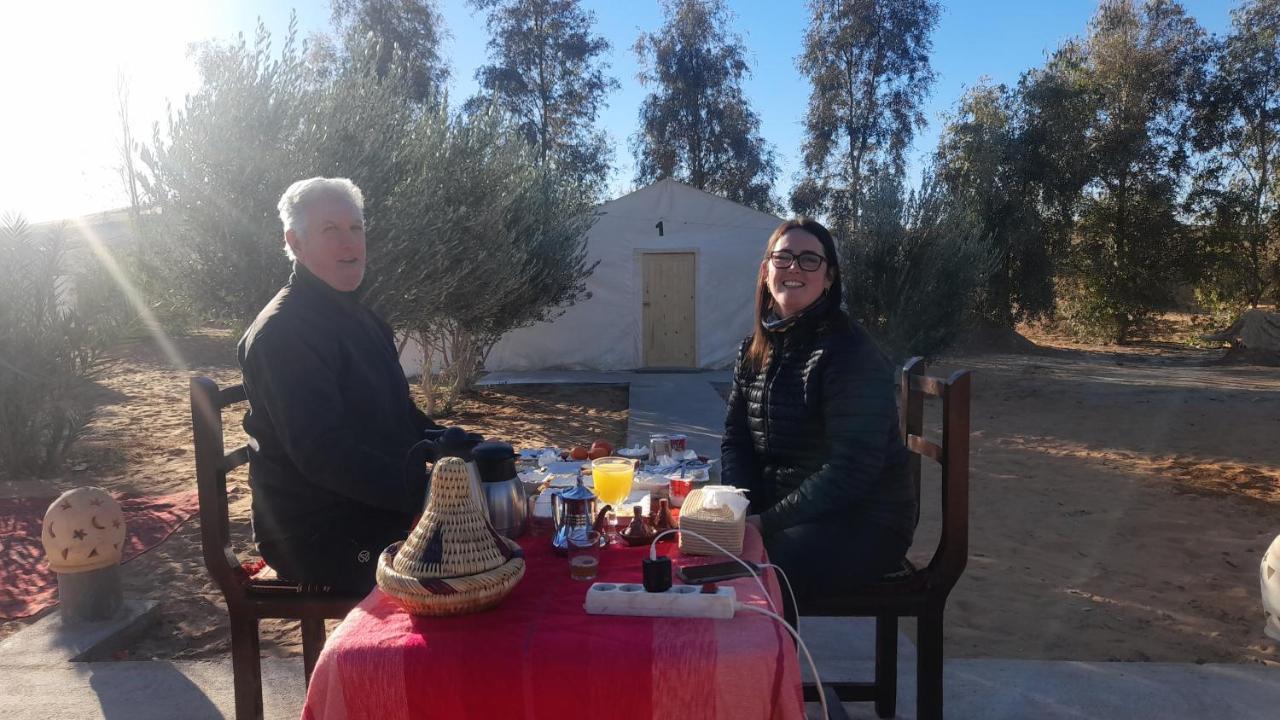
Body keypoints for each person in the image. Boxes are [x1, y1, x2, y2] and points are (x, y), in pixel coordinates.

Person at [238, 177, 467, 594]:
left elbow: (399, 416)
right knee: (466, 576)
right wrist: (425, 491)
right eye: (330, 230)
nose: (350, 243)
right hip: (318, 532)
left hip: (372, 507)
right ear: (296, 242)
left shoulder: (360, 319)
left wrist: (453, 447)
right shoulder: (284, 333)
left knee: (505, 538)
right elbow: (324, 455)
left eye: (356, 228)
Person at [720, 218, 916, 621]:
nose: (794, 268)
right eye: (783, 258)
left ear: (829, 278)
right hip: (792, 514)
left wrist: (764, 523)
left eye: (810, 260)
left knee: (761, 571)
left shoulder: (850, 353)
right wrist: (744, 508)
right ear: (765, 270)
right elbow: (736, 440)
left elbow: (852, 469)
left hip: (864, 522)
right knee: (705, 548)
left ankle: (767, 681)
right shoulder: (753, 351)